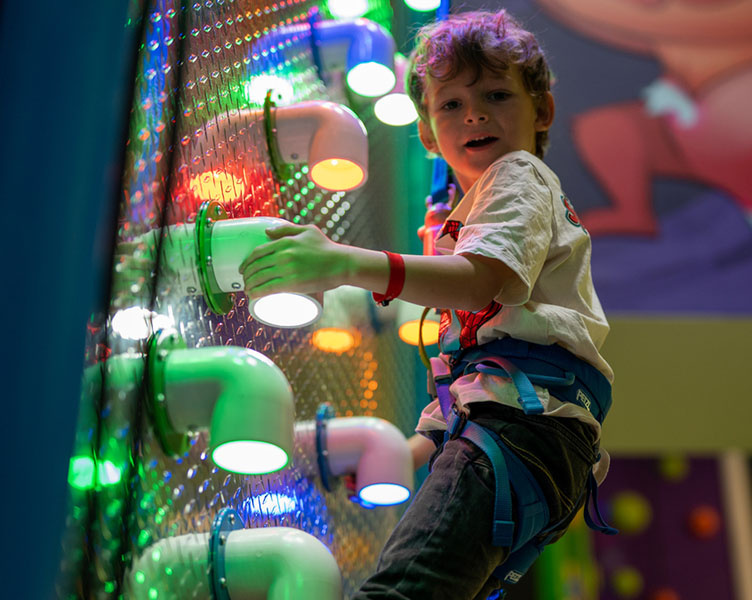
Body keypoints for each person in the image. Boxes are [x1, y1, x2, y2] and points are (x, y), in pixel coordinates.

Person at [240, 10, 614, 599]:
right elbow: (478, 362)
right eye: (450, 105)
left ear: (540, 111)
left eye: (495, 94)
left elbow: (477, 283)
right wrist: (416, 450)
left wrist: (342, 261)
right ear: (427, 131)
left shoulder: (518, 176)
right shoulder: (481, 210)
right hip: (530, 435)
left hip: (522, 430)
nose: (474, 114)